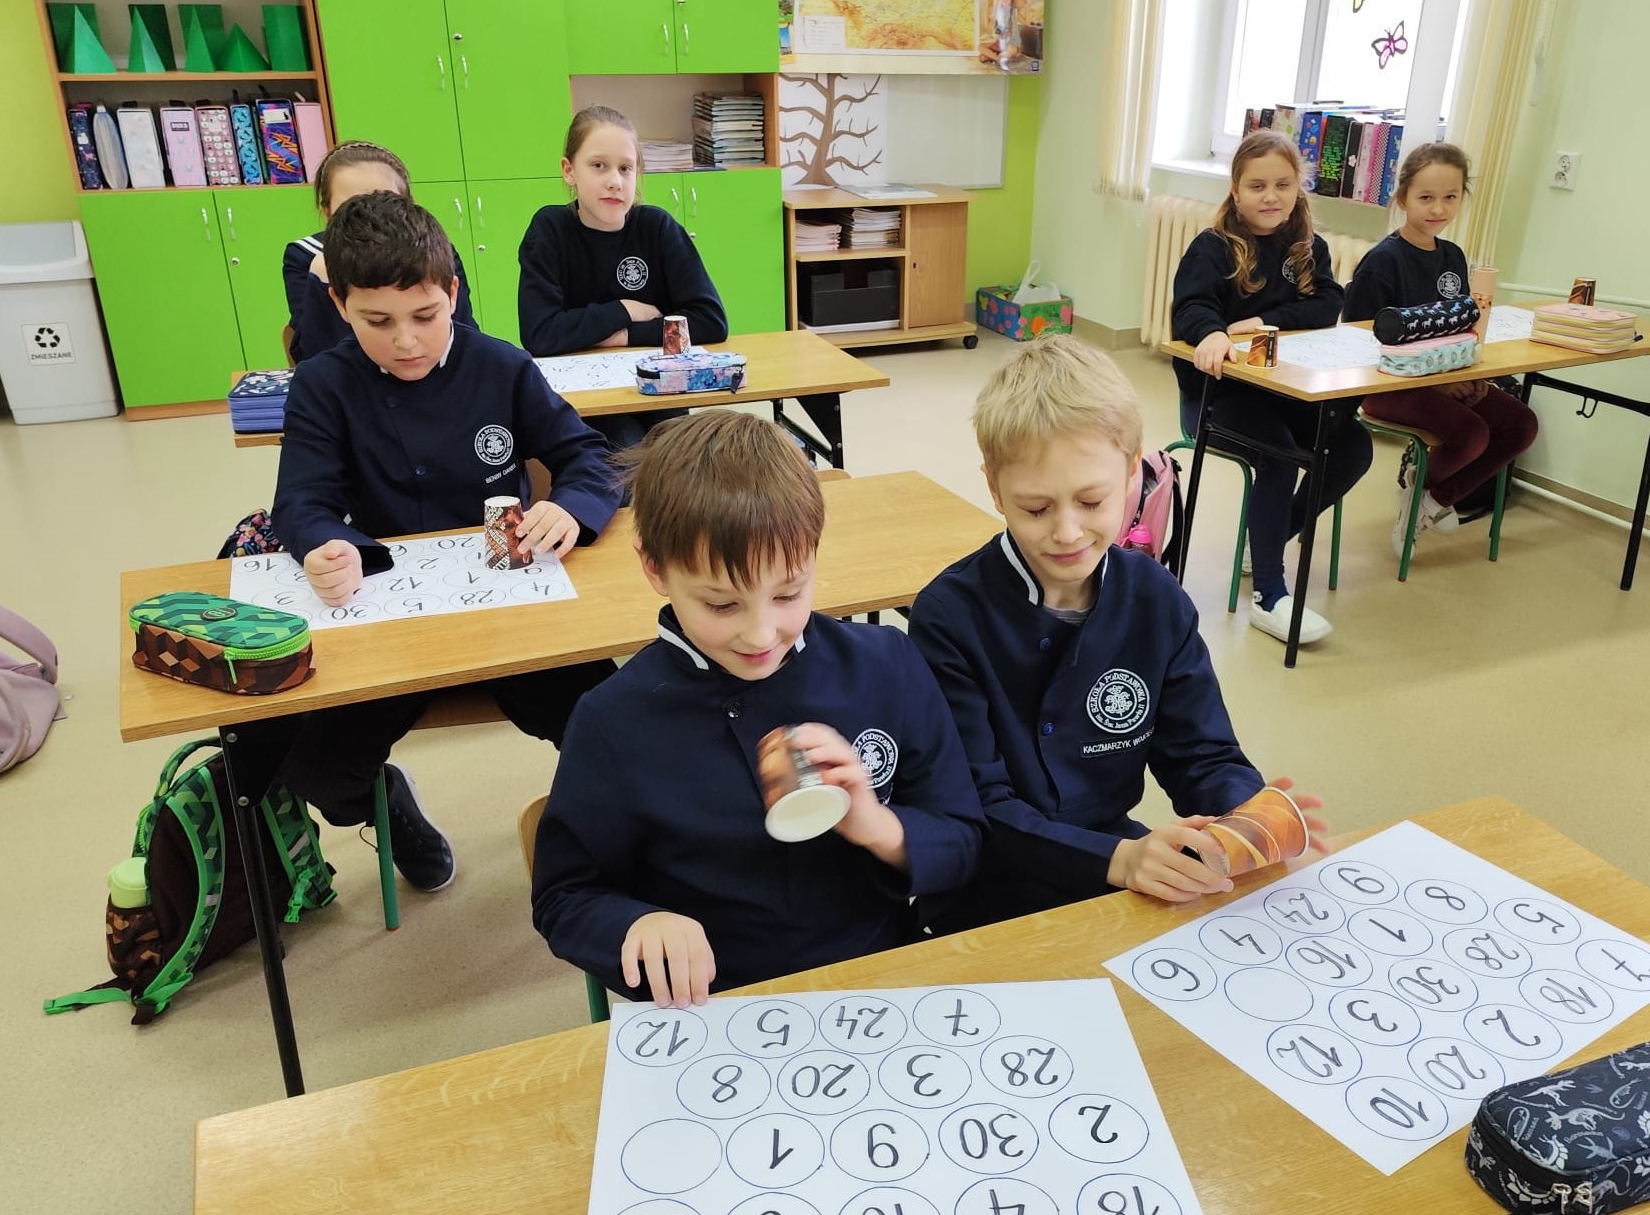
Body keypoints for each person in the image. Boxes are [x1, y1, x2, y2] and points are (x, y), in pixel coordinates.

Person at [531, 410, 983, 1006]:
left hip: (879, 977)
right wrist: (638, 925)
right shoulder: (614, 719)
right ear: (655, 568)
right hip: (714, 1000)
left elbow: (964, 839)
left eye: (789, 593)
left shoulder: (885, 665)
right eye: (721, 605)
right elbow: (565, 895)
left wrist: (877, 826)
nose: (761, 633)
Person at [910, 335, 1327, 933]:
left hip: (1115, 863)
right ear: (994, 489)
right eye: (1035, 509)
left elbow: (1200, 753)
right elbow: (977, 808)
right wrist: (1122, 859)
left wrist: (1248, 813)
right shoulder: (948, 617)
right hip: (991, 885)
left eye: (1091, 501)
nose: (1067, 532)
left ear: (1133, 472)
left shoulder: (1156, 599)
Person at [271, 191, 620, 891]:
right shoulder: (321, 384)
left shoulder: (501, 366)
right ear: (340, 305)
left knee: (614, 728)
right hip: (391, 618)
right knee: (315, 771)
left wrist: (570, 509)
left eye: (426, 316)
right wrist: (323, 545)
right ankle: (389, 804)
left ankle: (597, 841)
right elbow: (301, 502)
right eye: (378, 322)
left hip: (510, 610)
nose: (407, 341)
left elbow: (589, 456)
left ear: (453, 294)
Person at [1172, 129, 1373, 646]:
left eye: (1283, 185)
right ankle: (1269, 594)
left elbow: (1327, 304)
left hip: (1284, 394)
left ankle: (1269, 535)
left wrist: (1265, 321)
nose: (1270, 197)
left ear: (1297, 188)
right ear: (1235, 190)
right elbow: (1191, 307)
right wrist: (1213, 332)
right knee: (1278, 456)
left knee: (1352, 445)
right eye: (1257, 186)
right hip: (1218, 399)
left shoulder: (1308, 247)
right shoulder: (1212, 248)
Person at [1342, 141, 1540, 550]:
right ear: (1402, 199)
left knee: (1521, 424)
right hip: (1388, 386)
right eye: (1426, 198)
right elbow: (1359, 346)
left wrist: (1473, 376)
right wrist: (1436, 384)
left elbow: (1460, 328)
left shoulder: (1452, 256)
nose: (1438, 209)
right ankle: (1420, 491)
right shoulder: (1383, 262)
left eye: (1450, 197)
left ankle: (1430, 500)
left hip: (1445, 379)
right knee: (1471, 434)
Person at [516, 105, 729, 450]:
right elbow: (540, 334)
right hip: (585, 396)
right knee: (628, 447)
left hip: (656, 386)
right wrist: (625, 309)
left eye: (625, 168)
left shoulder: (657, 228)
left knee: (679, 450)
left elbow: (710, 321)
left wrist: (623, 335)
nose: (614, 181)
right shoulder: (549, 230)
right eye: (598, 166)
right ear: (569, 171)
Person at [280, 141, 475, 365]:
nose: (370, 219)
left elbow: (466, 339)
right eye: (351, 208)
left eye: (386, 201)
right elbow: (311, 357)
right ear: (327, 213)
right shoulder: (306, 256)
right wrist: (323, 276)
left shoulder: (435, 251)